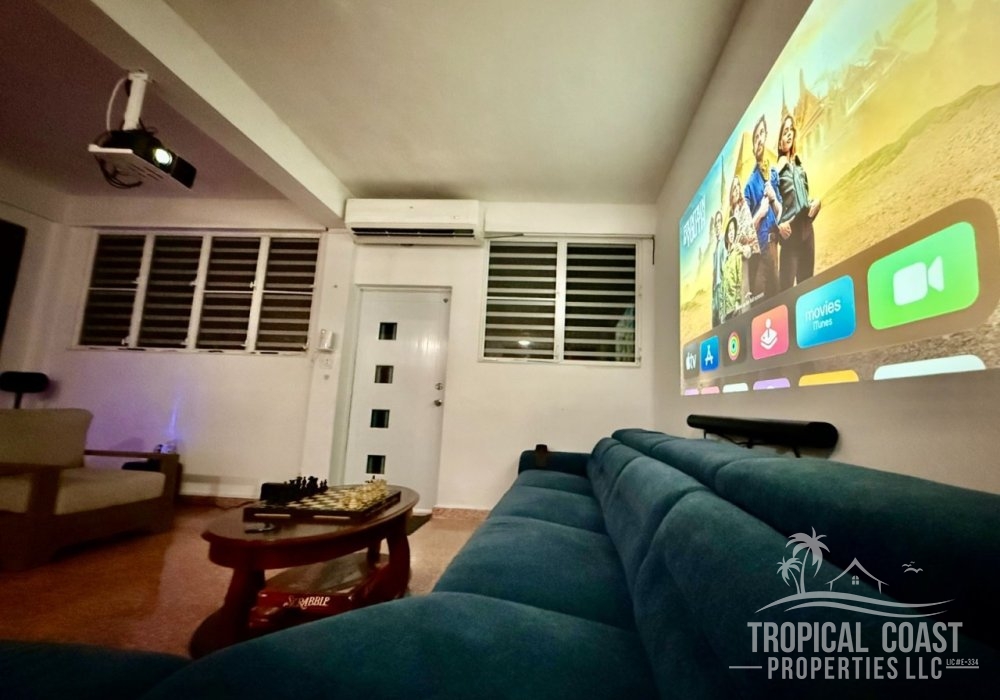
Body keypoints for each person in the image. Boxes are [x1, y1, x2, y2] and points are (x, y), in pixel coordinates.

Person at [775, 114, 820, 289]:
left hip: (807, 230)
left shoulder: (800, 167)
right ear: (780, 142)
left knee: (807, 286)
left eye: (791, 130)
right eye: (785, 131)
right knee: (786, 290)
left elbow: (804, 198)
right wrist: (778, 224)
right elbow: (770, 204)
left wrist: (816, 202)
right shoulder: (776, 172)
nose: (788, 134)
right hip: (790, 237)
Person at [743, 115, 781, 303]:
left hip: (774, 245)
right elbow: (745, 230)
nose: (759, 139)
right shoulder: (749, 185)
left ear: (766, 136)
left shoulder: (774, 174)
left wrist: (773, 200)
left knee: (778, 296)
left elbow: (781, 213)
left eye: (761, 134)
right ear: (752, 147)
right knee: (759, 301)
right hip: (758, 254)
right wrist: (760, 213)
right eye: (755, 137)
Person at [729, 175, 757, 313]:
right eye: (733, 188)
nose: (736, 190)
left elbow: (746, 230)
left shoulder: (743, 206)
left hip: (746, 254)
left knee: (745, 293)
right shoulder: (731, 213)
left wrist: (738, 243)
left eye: (737, 187)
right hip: (735, 259)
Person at [721, 216, 747, 322]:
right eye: (729, 230)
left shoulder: (737, 252)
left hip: (734, 307)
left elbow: (739, 278)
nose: (731, 233)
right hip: (726, 310)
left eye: (733, 230)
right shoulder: (726, 259)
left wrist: (737, 301)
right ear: (726, 235)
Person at [710, 210, 725, 327]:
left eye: (719, 221)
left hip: (722, 287)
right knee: (715, 324)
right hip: (715, 290)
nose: (717, 225)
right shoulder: (715, 247)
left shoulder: (724, 241)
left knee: (722, 323)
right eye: (716, 223)